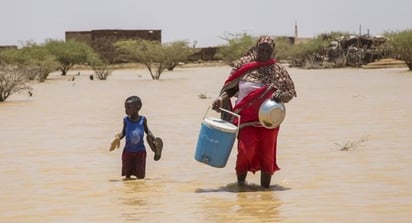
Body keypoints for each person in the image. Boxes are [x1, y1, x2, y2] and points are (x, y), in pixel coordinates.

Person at [212, 35, 297, 188]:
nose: (264, 52)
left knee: (267, 157)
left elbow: (289, 94)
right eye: (261, 49)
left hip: (269, 121)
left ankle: (265, 195)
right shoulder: (243, 66)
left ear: (273, 51)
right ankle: (241, 186)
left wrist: (281, 96)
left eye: (268, 50)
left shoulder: (278, 70)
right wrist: (220, 99)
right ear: (256, 47)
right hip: (246, 119)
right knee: (245, 151)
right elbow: (230, 89)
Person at [109, 95, 163, 180]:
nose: (126, 110)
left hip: (140, 152)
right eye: (125, 108)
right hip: (128, 152)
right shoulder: (125, 120)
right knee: (127, 175)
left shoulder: (143, 120)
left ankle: (156, 150)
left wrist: (154, 139)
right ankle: (129, 190)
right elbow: (123, 133)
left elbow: (147, 131)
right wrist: (117, 138)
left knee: (140, 176)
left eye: (128, 107)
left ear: (137, 107)